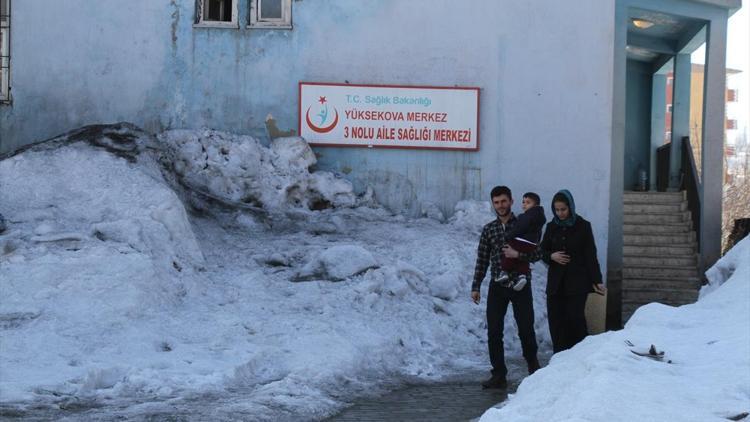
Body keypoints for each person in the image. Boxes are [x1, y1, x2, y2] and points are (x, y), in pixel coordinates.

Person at [504, 189, 606, 353]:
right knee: (556, 321)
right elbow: (540, 252)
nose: (560, 213)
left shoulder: (583, 226)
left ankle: (581, 356)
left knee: (575, 319)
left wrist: (597, 280)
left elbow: (590, 256)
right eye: (557, 210)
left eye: (563, 210)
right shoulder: (551, 227)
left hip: (577, 283)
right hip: (556, 284)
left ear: (570, 207)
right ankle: (559, 360)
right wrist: (551, 256)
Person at [471, 186, 540, 389]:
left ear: (511, 201)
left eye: (504, 201)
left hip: (521, 284)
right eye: (496, 202)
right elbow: (482, 259)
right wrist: (476, 285)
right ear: (493, 204)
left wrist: (518, 256)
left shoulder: (525, 224)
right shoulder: (489, 229)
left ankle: (534, 368)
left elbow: (537, 255)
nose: (500, 206)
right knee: (494, 331)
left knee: (526, 328)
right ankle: (498, 374)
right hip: (497, 285)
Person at [495, 192, 546, 292]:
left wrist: (509, 236)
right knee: (522, 259)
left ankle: (504, 272)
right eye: (523, 202)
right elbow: (539, 233)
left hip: (521, 241)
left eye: (528, 202)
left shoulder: (525, 216)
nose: (524, 204)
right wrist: (536, 244)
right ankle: (522, 276)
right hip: (532, 244)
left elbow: (518, 229)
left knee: (508, 251)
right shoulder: (541, 218)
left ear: (535, 205)